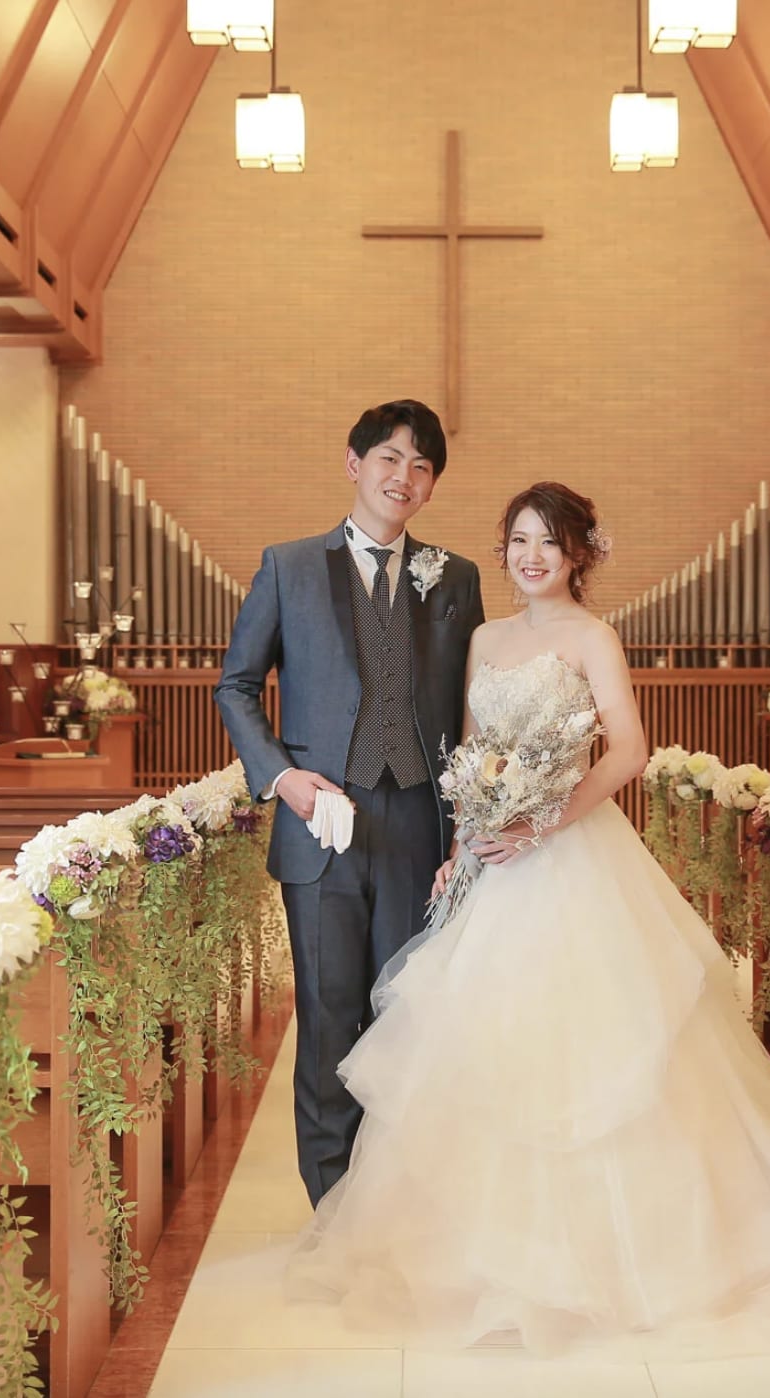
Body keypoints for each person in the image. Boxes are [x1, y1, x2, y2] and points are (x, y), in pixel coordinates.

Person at [287, 481, 770, 1356]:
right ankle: (483, 1256)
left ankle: (620, 1260)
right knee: (482, 1049)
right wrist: (465, 843)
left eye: (549, 542)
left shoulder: (594, 637)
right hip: (494, 861)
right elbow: (472, 754)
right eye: (519, 540)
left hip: (573, 855)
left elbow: (627, 750)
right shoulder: (484, 638)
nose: (531, 557)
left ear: (579, 554)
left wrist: (542, 821)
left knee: (593, 1049)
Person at [214, 399, 486, 1206]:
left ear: (431, 486)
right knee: (329, 1018)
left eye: (422, 466)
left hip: (419, 828)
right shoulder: (289, 567)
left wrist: (472, 821)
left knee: (407, 1016)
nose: (405, 476)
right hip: (321, 824)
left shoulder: (455, 577)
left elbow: (474, 702)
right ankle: (332, 1209)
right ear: (354, 464)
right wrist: (281, 776)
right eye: (390, 458)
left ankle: (396, 1203)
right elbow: (235, 685)